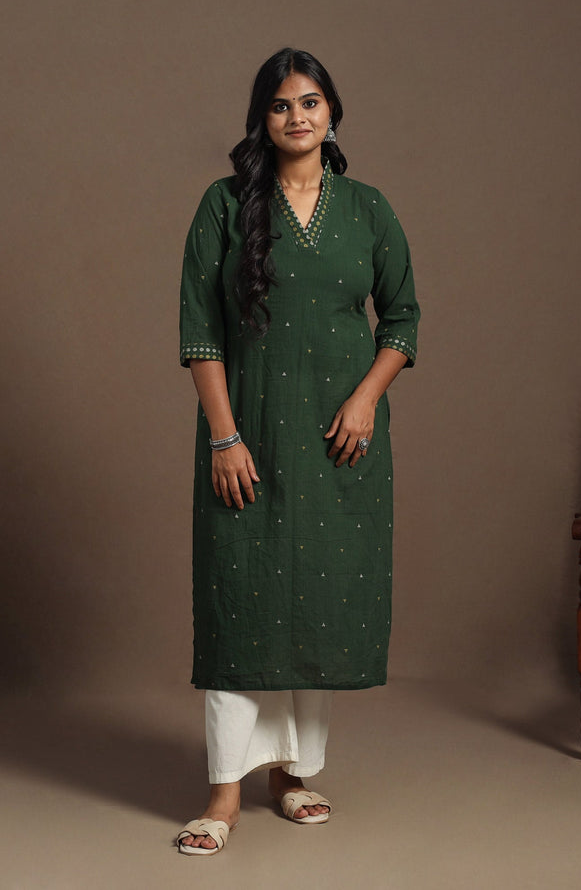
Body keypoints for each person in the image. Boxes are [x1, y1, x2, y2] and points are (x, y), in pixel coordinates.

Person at [177, 48, 420, 855]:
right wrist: (224, 436)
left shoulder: (368, 208)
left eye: (311, 102)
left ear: (332, 112)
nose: (297, 117)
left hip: (338, 441)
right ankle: (223, 795)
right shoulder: (224, 205)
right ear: (263, 118)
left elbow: (403, 318)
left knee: (317, 606)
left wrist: (366, 397)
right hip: (247, 438)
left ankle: (292, 774)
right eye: (281, 105)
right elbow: (200, 332)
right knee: (239, 605)